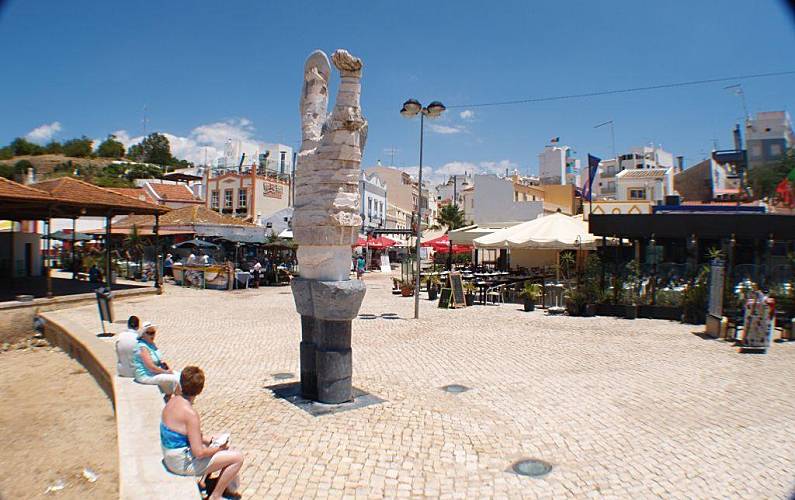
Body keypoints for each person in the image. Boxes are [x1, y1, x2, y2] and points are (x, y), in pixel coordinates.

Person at [161, 367, 244, 499]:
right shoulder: (190, 414)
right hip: (180, 462)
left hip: (170, 455)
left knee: (218, 440)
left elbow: (187, 435)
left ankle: (205, 481)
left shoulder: (173, 400)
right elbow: (198, 453)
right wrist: (219, 448)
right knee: (237, 458)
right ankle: (215, 496)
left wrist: (211, 442)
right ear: (200, 390)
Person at [132, 323, 181, 395]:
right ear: (143, 335)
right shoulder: (143, 347)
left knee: (180, 375)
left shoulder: (151, 344)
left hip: (155, 372)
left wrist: (166, 368)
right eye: (149, 333)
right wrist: (166, 372)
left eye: (153, 333)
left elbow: (158, 360)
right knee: (176, 379)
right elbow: (151, 367)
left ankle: (171, 396)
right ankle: (180, 400)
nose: (152, 335)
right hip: (146, 375)